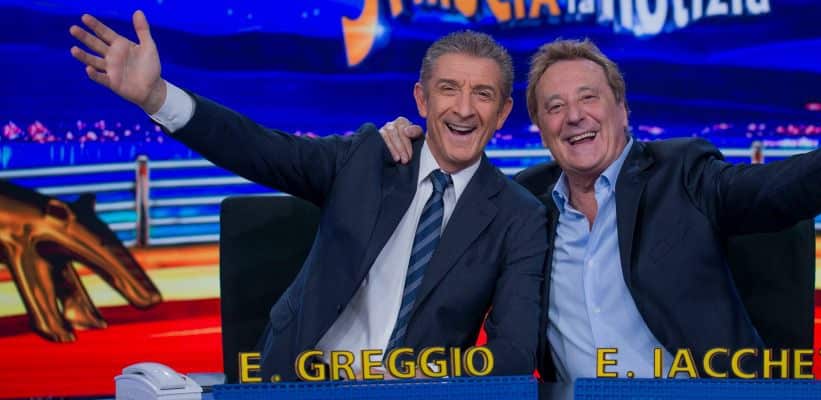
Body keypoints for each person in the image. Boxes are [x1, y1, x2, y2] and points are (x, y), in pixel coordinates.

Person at [380, 39, 821, 381]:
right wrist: (407, 148)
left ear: (622, 109)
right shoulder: (522, 206)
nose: (574, 116)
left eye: (589, 98)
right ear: (542, 130)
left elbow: (778, 189)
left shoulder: (682, 172)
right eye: (555, 107)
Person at [68, 11, 548, 381]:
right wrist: (156, 96)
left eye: (483, 94)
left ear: (503, 112)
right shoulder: (367, 158)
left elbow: (512, 353)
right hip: (299, 381)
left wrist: (427, 379)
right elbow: (257, 148)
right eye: (449, 89)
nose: (464, 108)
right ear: (422, 100)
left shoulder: (518, 216)